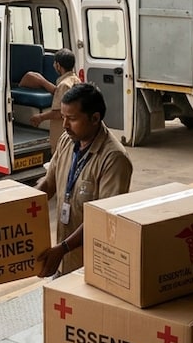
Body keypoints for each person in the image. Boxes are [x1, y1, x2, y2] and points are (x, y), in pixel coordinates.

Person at [35, 84, 133, 277]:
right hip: (63, 260)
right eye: (63, 117)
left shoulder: (114, 158)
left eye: (72, 119)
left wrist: (63, 248)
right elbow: (48, 183)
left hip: (92, 267)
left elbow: (104, 218)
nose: (65, 125)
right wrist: (20, 208)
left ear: (95, 118)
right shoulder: (67, 140)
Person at [24, 48, 78, 151]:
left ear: (58, 65)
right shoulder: (75, 80)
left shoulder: (64, 85)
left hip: (62, 134)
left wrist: (40, 117)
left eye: (54, 64)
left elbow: (59, 113)